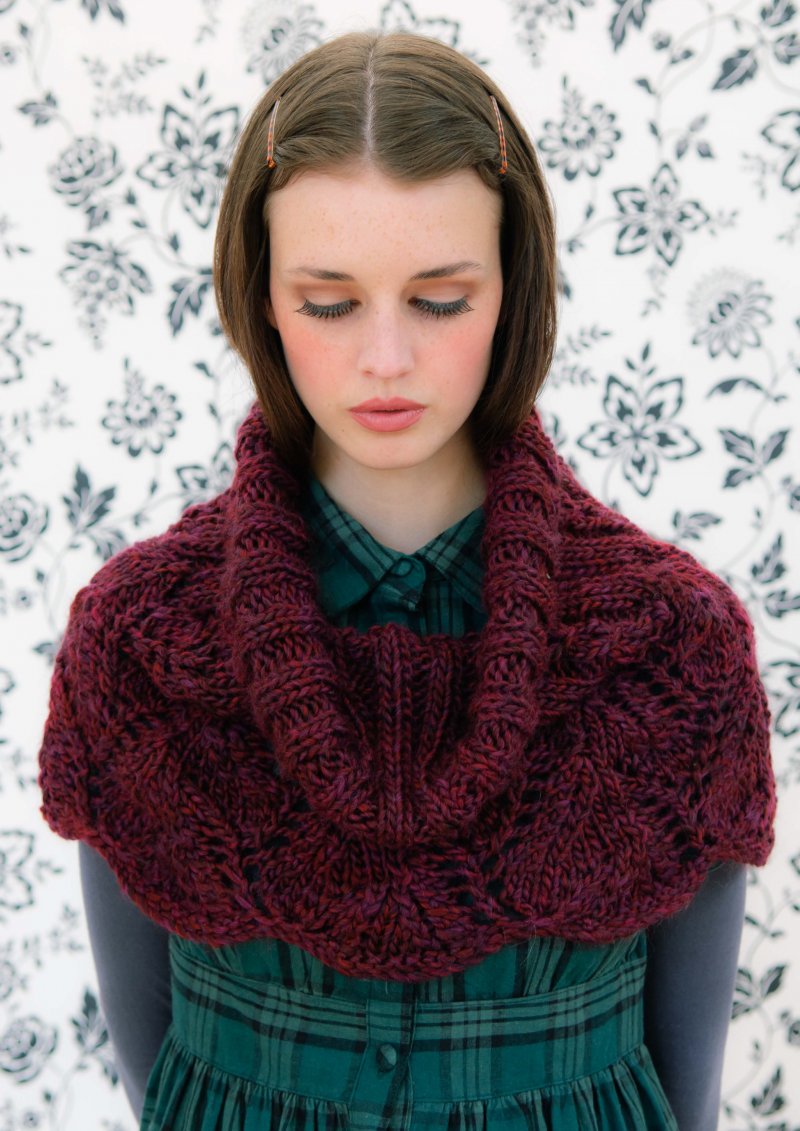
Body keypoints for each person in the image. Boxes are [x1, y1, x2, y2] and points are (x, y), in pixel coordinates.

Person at [38, 28, 776, 1131]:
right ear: (262, 294)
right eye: (328, 302)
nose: (385, 359)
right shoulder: (141, 644)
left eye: (439, 299)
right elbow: (160, 1083)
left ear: (512, 285)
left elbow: (688, 1092)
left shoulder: (668, 648)